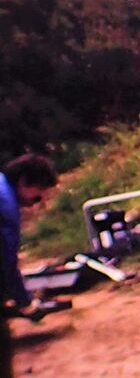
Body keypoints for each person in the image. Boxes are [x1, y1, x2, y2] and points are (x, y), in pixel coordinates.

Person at [1, 154, 58, 378]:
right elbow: (6, 261)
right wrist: (25, 303)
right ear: (24, 182)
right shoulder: (5, 205)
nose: (38, 202)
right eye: (37, 197)